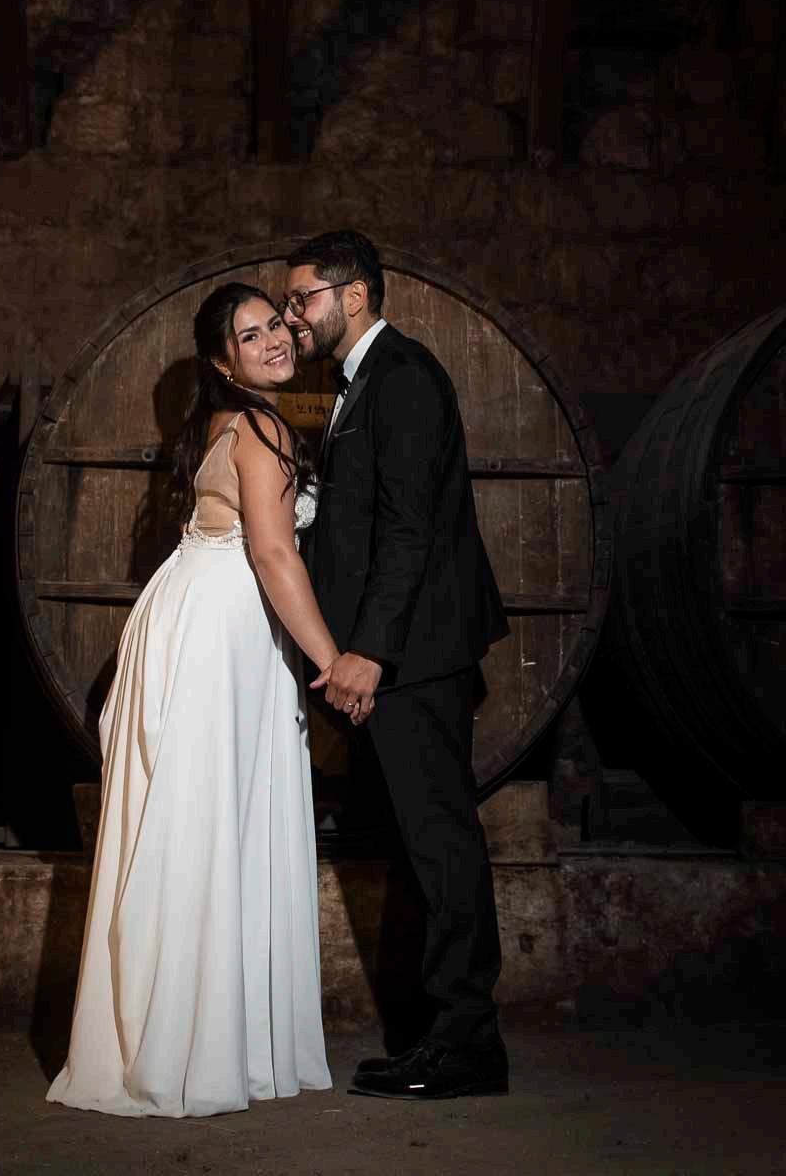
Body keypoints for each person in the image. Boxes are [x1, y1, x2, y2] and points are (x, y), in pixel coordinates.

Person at [47, 283, 336, 1118]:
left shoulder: (220, 425)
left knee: (191, 819)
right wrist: (331, 663)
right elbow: (275, 556)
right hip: (222, 626)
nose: (274, 339)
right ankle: (200, 1046)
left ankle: (180, 1031)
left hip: (185, 608)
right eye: (250, 335)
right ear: (222, 360)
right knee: (214, 821)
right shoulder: (262, 429)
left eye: (275, 323)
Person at [282, 230, 511, 1101]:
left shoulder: (403, 377)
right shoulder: (363, 380)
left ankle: (467, 1045)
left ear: (354, 296)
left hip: (414, 657)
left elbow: (410, 529)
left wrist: (369, 650)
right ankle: (438, 1037)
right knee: (420, 847)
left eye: (303, 298)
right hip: (403, 654)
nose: (293, 316)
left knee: (441, 844)